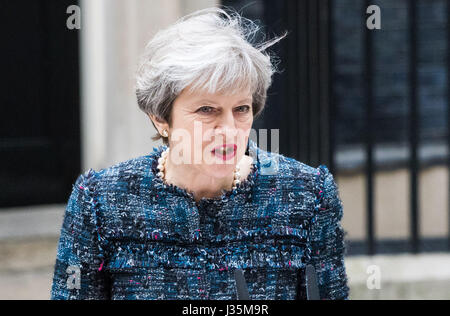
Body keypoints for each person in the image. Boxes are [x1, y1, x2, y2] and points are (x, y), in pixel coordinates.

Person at [50, 6, 349, 300]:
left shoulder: (307, 195)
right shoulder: (100, 202)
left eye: (241, 109)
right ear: (160, 118)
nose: (229, 129)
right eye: (207, 110)